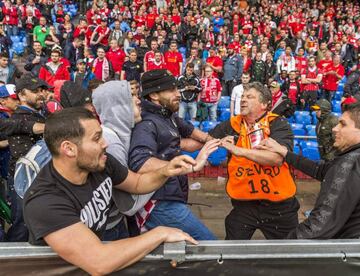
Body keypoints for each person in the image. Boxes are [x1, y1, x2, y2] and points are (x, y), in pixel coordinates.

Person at [23, 107, 200, 275]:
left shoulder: (100, 163)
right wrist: (160, 233)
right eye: (96, 138)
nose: (105, 143)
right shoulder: (44, 202)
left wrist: (166, 170)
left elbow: (137, 183)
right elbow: (99, 262)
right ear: (69, 149)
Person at [258, 102, 360, 239]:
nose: (335, 128)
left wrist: (281, 248)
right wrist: (285, 153)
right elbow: (321, 170)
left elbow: (318, 227)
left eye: (343, 124)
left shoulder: (353, 162)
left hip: (355, 257)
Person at [128, 69, 220, 240]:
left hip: (171, 196)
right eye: (172, 90)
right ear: (154, 95)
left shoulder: (168, 115)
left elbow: (191, 131)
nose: (178, 94)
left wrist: (213, 140)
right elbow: (141, 162)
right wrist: (190, 165)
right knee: (209, 245)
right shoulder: (147, 123)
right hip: (159, 202)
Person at [209, 82, 299, 240]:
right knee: (232, 252)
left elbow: (277, 159)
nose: (243, 99)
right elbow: (205, 139)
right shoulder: (232, 124)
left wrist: (239, 150)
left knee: (288, 256)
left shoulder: (277, 123)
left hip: (279, 205)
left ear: (264, 104)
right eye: (242, 96)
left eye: (249, 97)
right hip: (244, 204)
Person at [5, 75, 49, 242]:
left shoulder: (41, 113)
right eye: (34, 91)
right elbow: (24, 157)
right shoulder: (19, 118)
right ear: (22, 95)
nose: (41, 94)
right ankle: (11, 264)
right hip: (24, 181)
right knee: (22, 226)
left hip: (38, 181)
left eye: (41, 90)